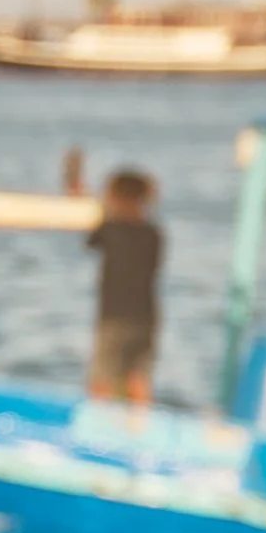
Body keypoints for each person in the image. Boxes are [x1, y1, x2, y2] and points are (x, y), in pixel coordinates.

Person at [87, 167, 163, 403]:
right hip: (146, 317)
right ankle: (139, 428)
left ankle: (99, 428)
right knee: (138, 379)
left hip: (113, 318)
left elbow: (91, 240)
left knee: (103, 381)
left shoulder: (109, 230)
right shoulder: (154, 234)